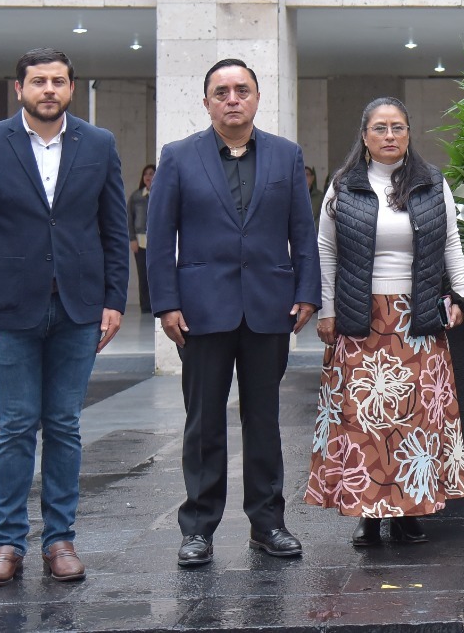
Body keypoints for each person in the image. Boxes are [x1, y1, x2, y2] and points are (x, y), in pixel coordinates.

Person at [0, 48, 129, 587]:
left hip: (78, 308)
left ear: (72, 88)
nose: (48, 89)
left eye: (57, 81)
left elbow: (114, 229)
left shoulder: (98, 145)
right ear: (19, 88)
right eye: (37, 81)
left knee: (65, 425)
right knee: (16, 426)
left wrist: (114, 300)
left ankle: (59, 540)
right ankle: (7, 543)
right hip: (7, 311)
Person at [147, 59, 320, 569]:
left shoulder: (286, 156)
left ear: (257, 98)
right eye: (221, 91)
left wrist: (307, 291)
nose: (232, 99)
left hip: (269, 309)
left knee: (264, 420)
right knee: (203, 422)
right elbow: (160, 240)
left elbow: (301, 231)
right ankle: (198, 529)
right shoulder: (179, 158)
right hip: (201, 312)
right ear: (206, 102)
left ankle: (268, 525)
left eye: (241, 89)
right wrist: (166, 303)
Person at [306, 97, 464, 546]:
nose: (390, 136)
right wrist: (327, 310)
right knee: (365, 420)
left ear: (408, 134)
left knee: (415, 420)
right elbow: (325, 250)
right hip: (362, 317)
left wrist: (460, 294)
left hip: (416, 317)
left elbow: (451, 243)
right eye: (380, 128)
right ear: (364, 136)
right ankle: (368, 515)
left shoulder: (432, 184)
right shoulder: (344, 186)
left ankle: (408, 514)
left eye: (398, 127)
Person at [127, 164, 155, 315]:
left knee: (155, 275)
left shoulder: (161, 193)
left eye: (152, 173)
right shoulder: (136, 196)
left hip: (156, 242)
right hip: (140, 240)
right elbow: (129, 219)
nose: (149, 177)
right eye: (146, 174)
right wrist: (132, 239)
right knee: (143, 275)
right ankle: (145, 306)